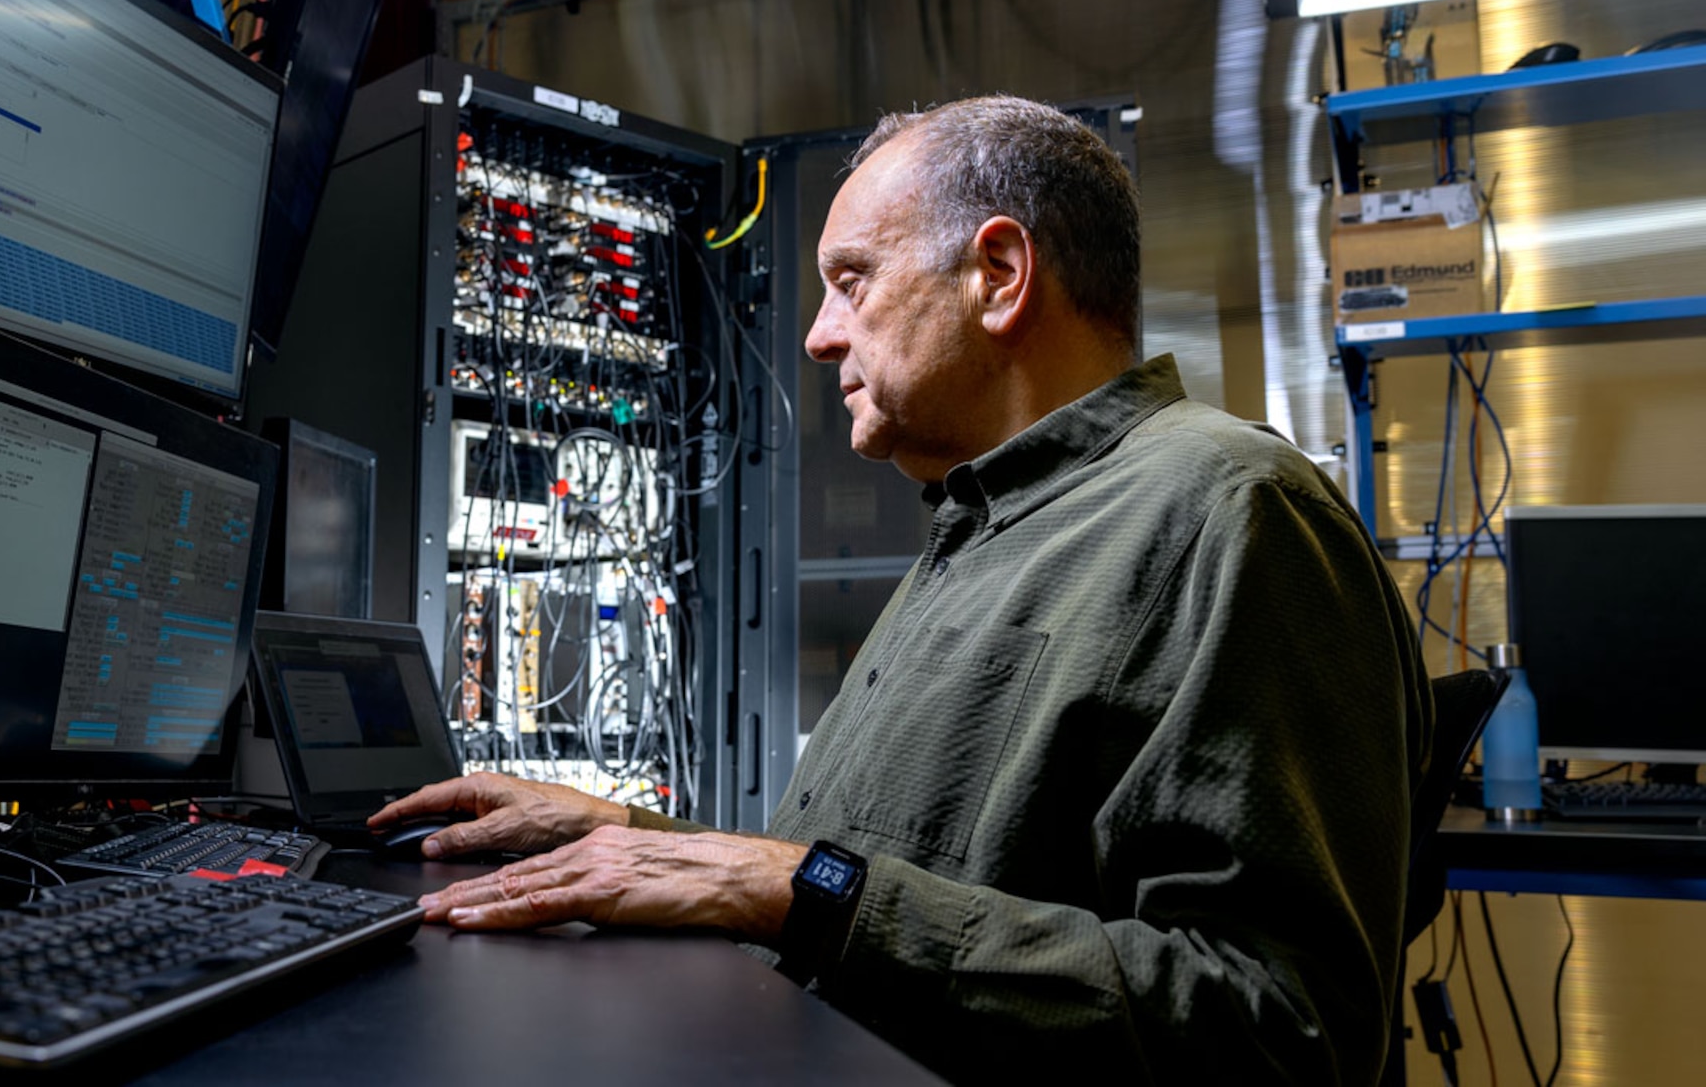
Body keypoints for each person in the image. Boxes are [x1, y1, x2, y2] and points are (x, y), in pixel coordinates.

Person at [370, 95, 1434, 1085]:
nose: (817, 335)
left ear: (1000, 273)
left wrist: (802, 896)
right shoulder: (987, 521)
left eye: (851, 280)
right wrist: (622, 837)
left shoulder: (1223, 508)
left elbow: (1281, 1026)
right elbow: (881, 873)